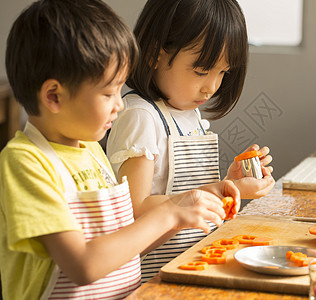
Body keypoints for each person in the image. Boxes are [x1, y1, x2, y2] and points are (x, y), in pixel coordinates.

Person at [0, 0, 240, 299]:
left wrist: (182, 211)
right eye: (108, 92)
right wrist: (169, 214)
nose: (121, 103)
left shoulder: (90, 151)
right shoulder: (26, 162)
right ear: (54, 96)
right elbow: (83, 266)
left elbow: (130, 245)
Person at [106, 0, 275, 282]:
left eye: (223, 72)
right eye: (201, 71)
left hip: (191, 263)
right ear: (154, 55)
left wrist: (228, 183)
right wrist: (219, 192)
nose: (212, 86)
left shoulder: (188, 112)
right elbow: (133, 211)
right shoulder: (142, 117)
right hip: (155, 274)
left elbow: (186, 191)